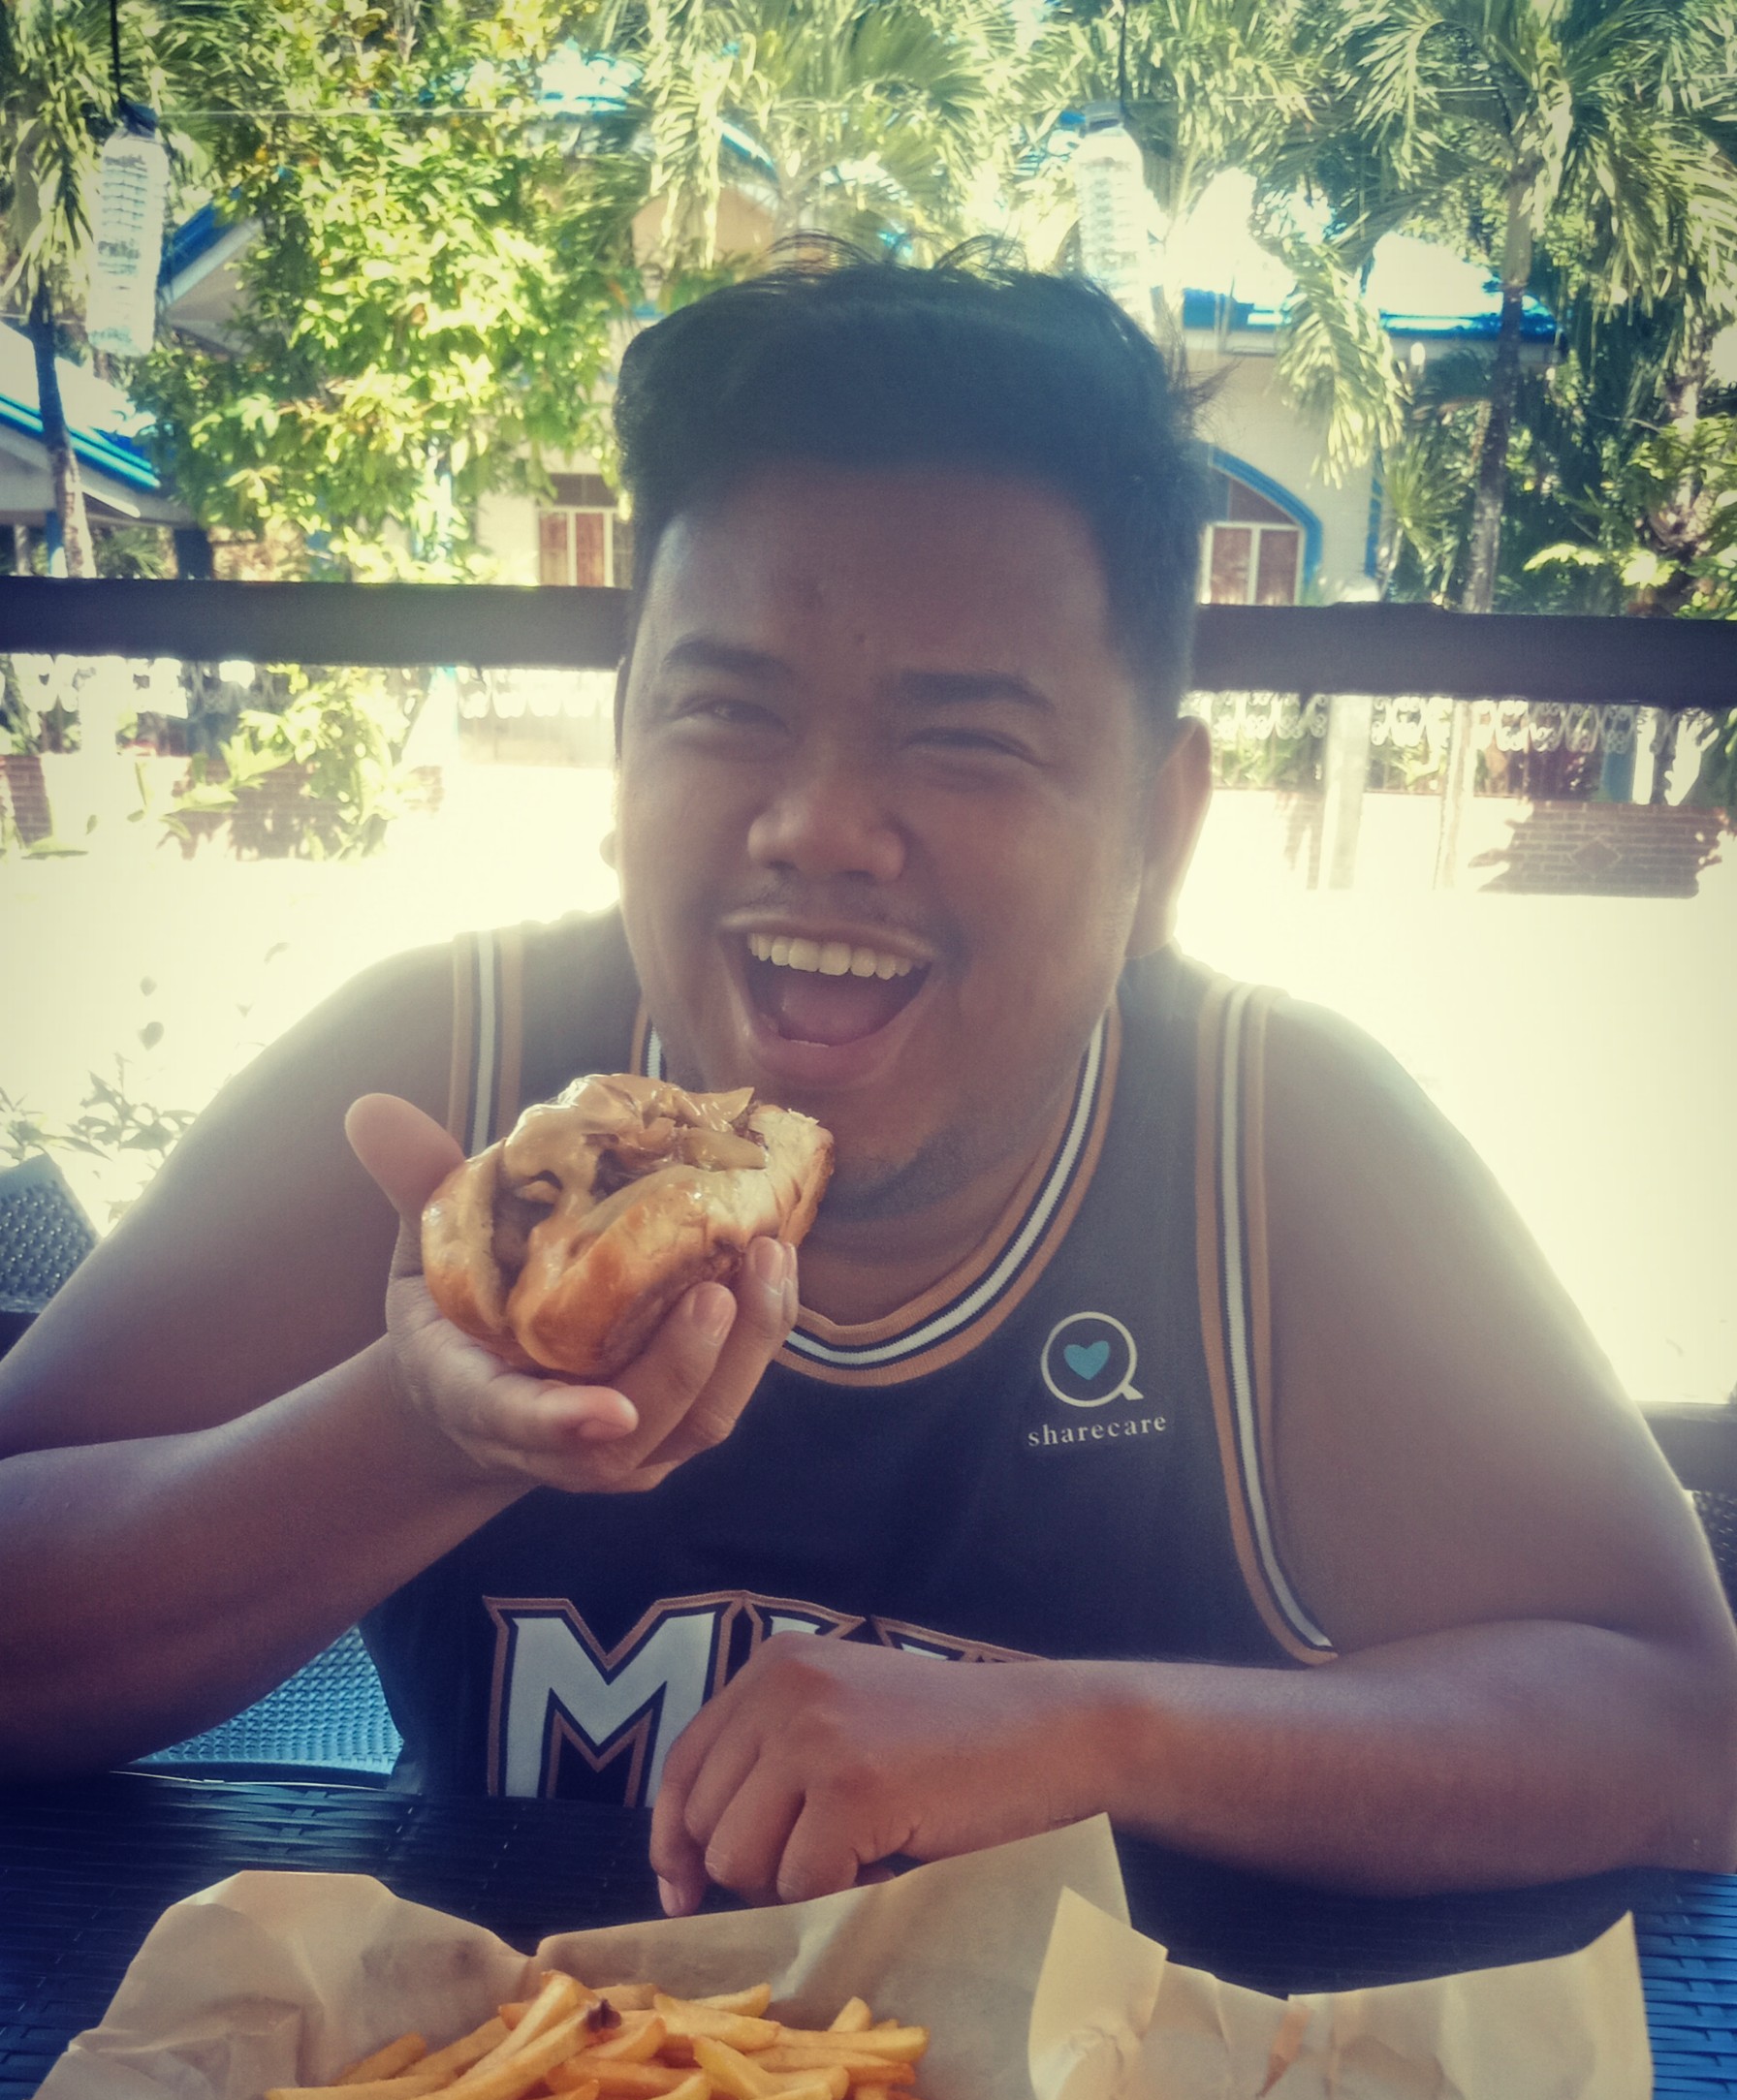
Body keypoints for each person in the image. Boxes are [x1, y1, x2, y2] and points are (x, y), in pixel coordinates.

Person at [0, 256, 1732, 1910]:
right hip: (478, 2091)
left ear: (1160, 829)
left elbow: (1680, 1727)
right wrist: (421, 1427)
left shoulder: (1269, 1148)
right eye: (728, 712)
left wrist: (1088, 1737)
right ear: (623, 746)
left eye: (964, 738)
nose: (818, 825)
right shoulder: (459, 1098)